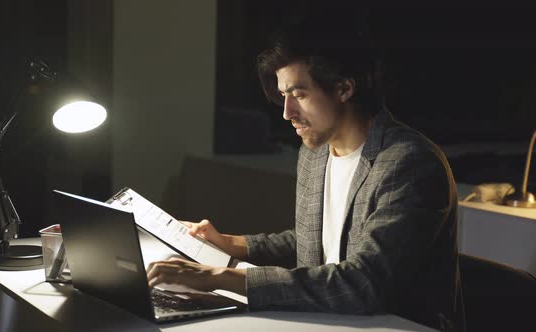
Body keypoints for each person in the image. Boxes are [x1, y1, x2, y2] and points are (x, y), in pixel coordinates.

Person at [147, 16, 463, 332]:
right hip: (327, 319)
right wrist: (229, 243)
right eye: (284, 96)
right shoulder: (315, 152)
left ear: (344, 88)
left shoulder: (408, 162)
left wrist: (223, 277)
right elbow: (317, 239)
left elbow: (365, 283)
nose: (286, 113)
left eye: (298, 95)